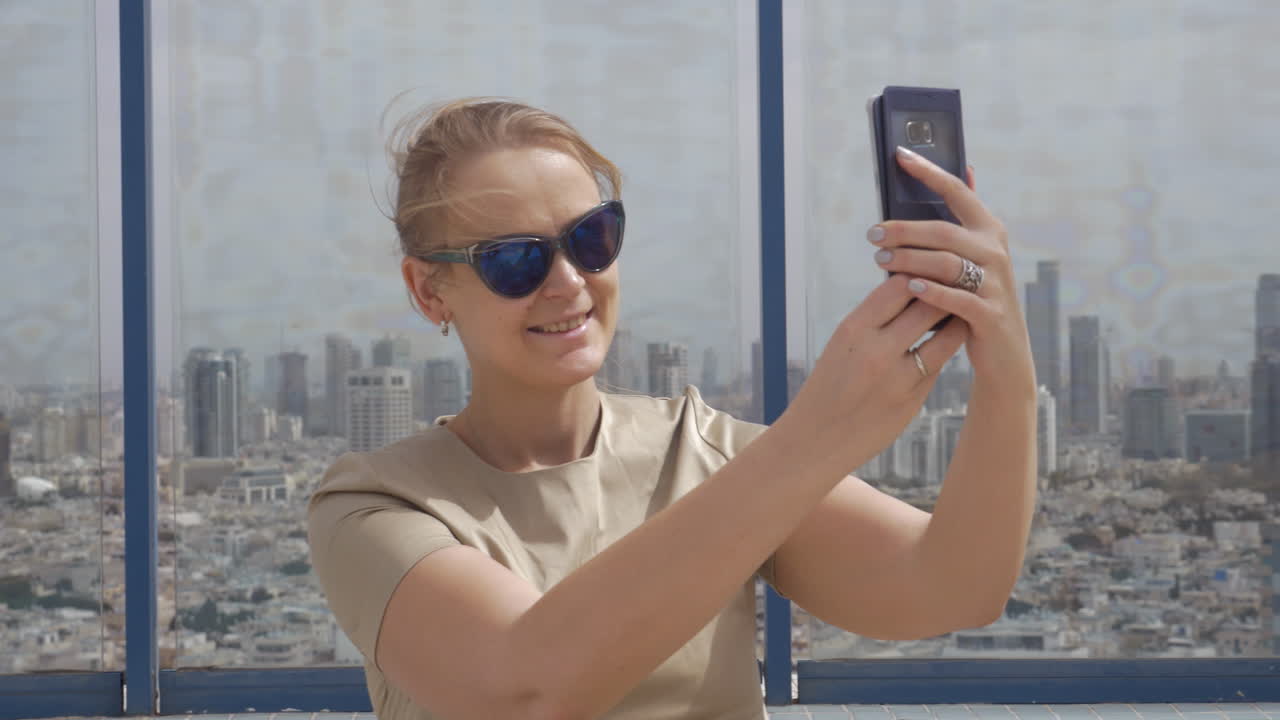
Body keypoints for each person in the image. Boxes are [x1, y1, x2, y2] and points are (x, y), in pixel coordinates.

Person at [307, 98, 1038, 720]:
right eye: (514, 259)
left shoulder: (708, 453)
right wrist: (819, 433)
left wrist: (1004, 363)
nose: (568, 282)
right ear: (430, 291)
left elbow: (954, 588)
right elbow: (525, 688)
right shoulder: (373, 508)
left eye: (591, 238)